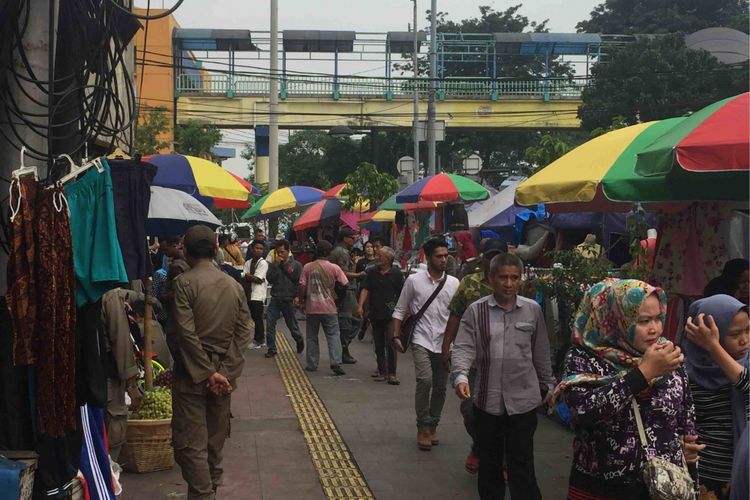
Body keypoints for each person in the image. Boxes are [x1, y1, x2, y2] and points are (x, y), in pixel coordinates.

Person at [555, 278, 698, 499]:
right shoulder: (584, 358)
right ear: (615, 320)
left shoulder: (668, 355)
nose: (654, 328)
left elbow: (685, 418)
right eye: (642, 321)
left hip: (659, 489)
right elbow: (582, 413)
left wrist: (682, 449)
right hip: (599, 488)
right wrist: (643, 374)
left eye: (658, 318)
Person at [451, 253, 555, 499]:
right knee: (490, 465)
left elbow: (541, 351)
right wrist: (461, 378)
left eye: (514, 277)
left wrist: (548, 386)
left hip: (524, 402)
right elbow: (464, 347)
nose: (508, 283)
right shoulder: (476, 311)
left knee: (522, 464)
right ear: (490, 279)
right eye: (502, 277)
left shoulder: (533, 310)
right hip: (488, 401)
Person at [171, 225, 253, 500]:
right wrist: (224, 373)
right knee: (215, 441)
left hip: (192, 375)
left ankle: (203, 494)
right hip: (223, 376)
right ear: (216, 249)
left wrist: (207, 373)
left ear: (186, 250)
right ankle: (209, 491)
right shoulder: (233, 284)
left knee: (189, 443)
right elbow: (245, 330)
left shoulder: (184, 283)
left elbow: (185, 333)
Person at [440, 239, 506, 474]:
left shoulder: (514, 284)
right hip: (472, 362)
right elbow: (455, 316)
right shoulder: (469, 284)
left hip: (506, 362)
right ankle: (480, 445)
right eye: (490, 256)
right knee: (470, 411)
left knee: (502, 413)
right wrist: (446, 346)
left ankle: (501, 458)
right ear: (483, 258)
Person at [392, 237, 459, 451]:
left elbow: (457, 316)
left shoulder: (454, 283)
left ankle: (433, 425)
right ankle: (422, 426)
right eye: (439, 256)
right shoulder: (414, 281)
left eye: (446, 256)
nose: (444, 260)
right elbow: (401, 309)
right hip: (420, 338)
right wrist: (395, 336)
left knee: (440, 386)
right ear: (428, 258)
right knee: (425, 380)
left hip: (445, 342)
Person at [683, 294, 749, 500]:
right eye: (735, 334)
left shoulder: (745, 364)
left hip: (744, 475)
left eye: (748, 330)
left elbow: (745, 383)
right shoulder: (684, 372)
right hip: (707, 478)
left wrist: (714, 348)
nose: (744, 340)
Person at [299, 240, 349, 376]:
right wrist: (339, 300)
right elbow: (345, 283)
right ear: (329, 252)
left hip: (312, 307)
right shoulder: (334, 268)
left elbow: (302, 286)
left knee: (311, 336)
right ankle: (336, 362)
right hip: (330, 308)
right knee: (333, 335)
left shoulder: (307, 267)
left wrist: (302, 302)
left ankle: (312, 364)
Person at [357, 246, 404, 385]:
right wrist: (360, 306)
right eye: (377, 255)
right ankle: (382, 371)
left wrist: (402, 311)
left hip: (391, 313)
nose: (377, 258)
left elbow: (402, 293)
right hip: (375, 312)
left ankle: (392, 373)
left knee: (391, 342)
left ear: (388, 260)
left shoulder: (396, 274)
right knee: (378, 344)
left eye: (380, 256)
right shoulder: (371, 272)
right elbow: (365, 289)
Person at [328, 227, 363, 364]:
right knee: (350, 320)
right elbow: (342, 273)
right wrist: (359, 275)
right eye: (352, 237)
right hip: (345, 290)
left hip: (346, 290)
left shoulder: (344, 252)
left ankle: (344, 347)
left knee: (351, 319)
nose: (354, 240)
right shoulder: (341, 252)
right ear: (345, 238)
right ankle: (343, 348)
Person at [264, 239, 305, 357]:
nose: (280, 254)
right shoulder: (274, 265)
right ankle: (271, 348)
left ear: (288, 251)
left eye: (282, 252)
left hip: (289, 299)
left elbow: (300, 282)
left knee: (292, 325)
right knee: (270, 323)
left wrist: (298, 297)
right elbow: (270, 279)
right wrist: (275, 266)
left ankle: (299, 339)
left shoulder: (296, 265)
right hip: (276, 298)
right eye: (278, 252)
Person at [243, 240, 269, 350]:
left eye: (261, 249)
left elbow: (258, 279)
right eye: (256, 248)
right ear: (252, 249)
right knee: (255, 317)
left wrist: (248, 276)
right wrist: (250, 277)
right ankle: (261, 338)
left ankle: (258, 340)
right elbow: (245, 276)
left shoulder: (263, 263)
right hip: (249, 293)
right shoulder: (248, 262)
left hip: (258, 294)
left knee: (257, 317)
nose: (258, 250)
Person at [355, 240, 377, 340]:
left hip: (376, 290)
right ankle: (364, 325)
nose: (369, 249)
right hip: (364, 288)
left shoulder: (378, 262)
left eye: (371, 247)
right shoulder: (360, 262)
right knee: (365, 310)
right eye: (367, 247)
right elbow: (357, 276)